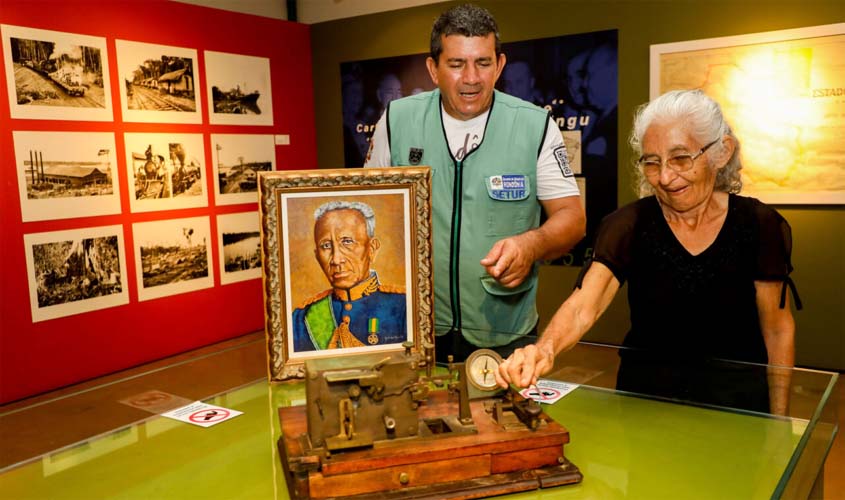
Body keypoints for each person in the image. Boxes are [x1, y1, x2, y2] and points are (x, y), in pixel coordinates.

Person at [497, 89, 801, 415]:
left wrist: (778, 421)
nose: (666, 177)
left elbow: (777, 329)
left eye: (681, 158)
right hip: (646, 403)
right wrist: (545, 349)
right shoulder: (628, 224)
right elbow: (584, 306)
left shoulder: (759, 224)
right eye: (652, 163)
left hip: (737, 406)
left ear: (722, 151)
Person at [365, 4, 586, 362]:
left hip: (504, 331)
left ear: (499, 65)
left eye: (483, 63)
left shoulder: (535, 126)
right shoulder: (396, 121)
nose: (471, 78)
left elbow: (572, 219)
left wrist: (531, 245)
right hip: (414, 329)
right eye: (456, 64)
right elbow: (368, 211)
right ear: (433, 69)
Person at [292, 201, 407, 351]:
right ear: (317, 256)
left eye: (347, 242)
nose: (336, 259)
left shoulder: (403, 306)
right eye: (326, 246)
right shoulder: (301, 318)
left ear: (372, 249)